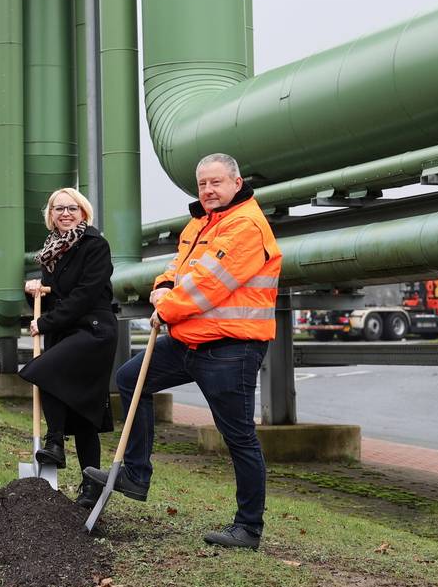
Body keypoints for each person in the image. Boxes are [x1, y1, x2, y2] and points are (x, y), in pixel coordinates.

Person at [84, 153, 281, 549]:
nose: (208, 190)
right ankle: (136, 474)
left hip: (231, 347)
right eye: (203, 184)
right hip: (190, 339)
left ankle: (248, 528)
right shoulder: (201, 223)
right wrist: (162, 286)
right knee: (129, 380)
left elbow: (208, 284)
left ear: (236, 182)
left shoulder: (245, 226)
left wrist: (166, 305)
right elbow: (179, 268)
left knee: (238, 436)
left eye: (216, 183)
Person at [17, 187, 117, 509]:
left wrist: (44, 324)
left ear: (83, 212)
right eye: (58, 209)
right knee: (83, 413)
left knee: (42, 370)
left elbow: (85, 295)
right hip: (64, 333)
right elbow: (53, 297)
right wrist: (33, 291)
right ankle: (91, 489)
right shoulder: (51, 251)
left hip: (93, 332)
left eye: (72, 208)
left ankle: (55, 442)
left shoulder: (95, 245)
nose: (65, 213)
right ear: (50, 215)